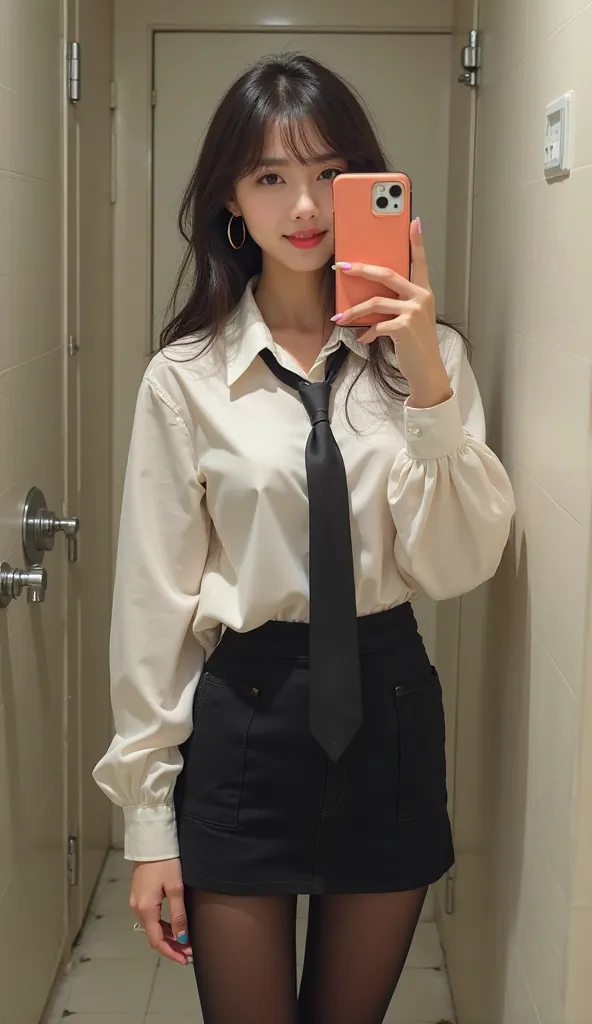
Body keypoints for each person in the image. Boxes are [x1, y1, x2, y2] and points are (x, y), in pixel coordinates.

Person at [93, 52, 515, 1024]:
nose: (305, 205)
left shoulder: (430, 358)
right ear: (230, 201)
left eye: (331, 173)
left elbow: (459, 563)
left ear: (369, 184)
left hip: (388, 708)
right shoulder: (185, 378)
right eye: (271, 176)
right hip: (244, 719)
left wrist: (424, 376)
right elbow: (153, 604)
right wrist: (149, 825)